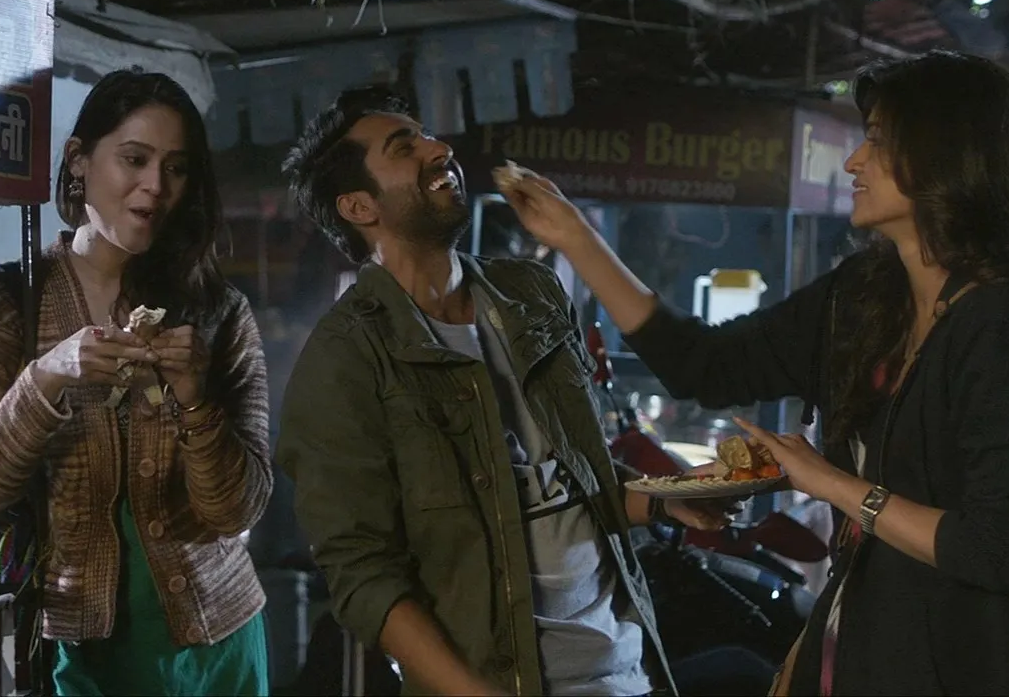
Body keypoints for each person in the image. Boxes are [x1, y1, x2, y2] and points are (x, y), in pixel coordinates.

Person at [500, 51, 1009, 696]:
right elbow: (706, 365)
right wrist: (576, 237)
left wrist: (829, 481)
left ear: (947, 156)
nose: (854, 161)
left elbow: (1006, 551)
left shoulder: (999, 331)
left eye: (877, 141)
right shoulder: (864, 300)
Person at [276, 86, 733, 697]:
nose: (439, 149)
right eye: (405, 148)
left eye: (428, 135)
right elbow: (362, 576)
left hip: (625, 670)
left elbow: (569, 480)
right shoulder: (345, 358)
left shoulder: (532, 295)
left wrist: (663, 500)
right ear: (359, 206)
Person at [0, 69, 273, 696]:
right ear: (78, 160)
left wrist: (195, 400)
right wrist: (47, 376)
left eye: (176, 168)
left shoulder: (217, 313)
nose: (156, 185)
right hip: (73, 645)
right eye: (135, 159)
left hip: (217, 641)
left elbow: (239, 509)